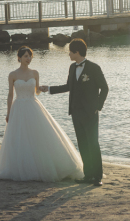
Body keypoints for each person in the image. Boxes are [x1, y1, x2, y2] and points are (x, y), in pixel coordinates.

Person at [0, 47, 84, 182]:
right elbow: (10, 95)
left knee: (38, 136)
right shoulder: (13, 75)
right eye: (26, 56)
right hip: (19, 107)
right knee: (20, 137)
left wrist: (42, 89)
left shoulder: (35, 73)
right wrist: (8, 112)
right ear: (19, 58)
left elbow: (36, 91)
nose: (28, 59)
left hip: (33, 106)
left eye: (30, 56)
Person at [40, 39, 108, 186]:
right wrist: (49, 89)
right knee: (82, 143)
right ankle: (87, 175)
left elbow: (105, 88)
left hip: (91, 112)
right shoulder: (72, 67)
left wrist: (98, 106)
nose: (69, 54)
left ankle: (97, 177)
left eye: (70, 51)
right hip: (75, 112)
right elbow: (68, 86)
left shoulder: (94, 68)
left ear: (77, 52)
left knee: (93, 143)